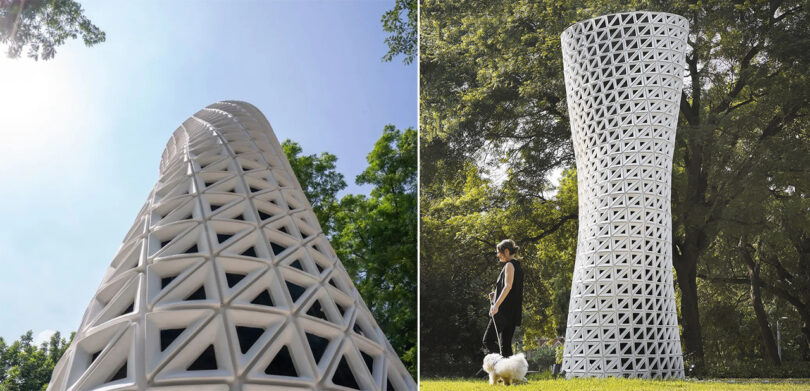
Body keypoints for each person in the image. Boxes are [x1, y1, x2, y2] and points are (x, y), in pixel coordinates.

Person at [482, 239, 524, 357]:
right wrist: (495, 294)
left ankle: (502, 365)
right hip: (513, 312)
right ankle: (510, 373)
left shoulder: (509, 265)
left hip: (503, 311)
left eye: (498, 252)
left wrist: (496, 305)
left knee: (488, 340)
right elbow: (512, 289)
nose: (497, 255)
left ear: (506, 251)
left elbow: (508, 286)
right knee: (505, 345)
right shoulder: (517, 266)